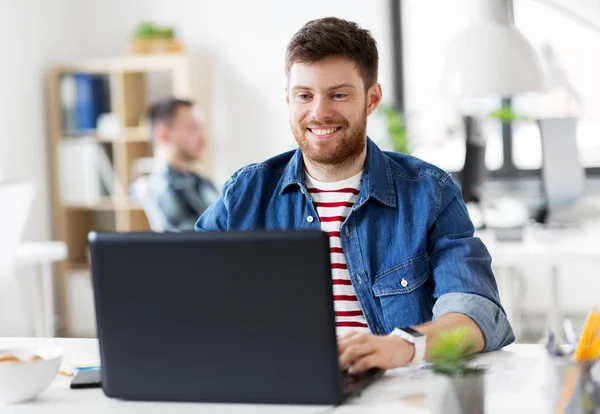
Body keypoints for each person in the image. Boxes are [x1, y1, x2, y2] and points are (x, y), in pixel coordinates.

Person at [196, 17, 514, 374]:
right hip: (275, 384)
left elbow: (476, 313)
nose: (319, 112)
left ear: (371, 99)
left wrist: (404, 345)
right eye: (304, 95)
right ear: (288, 98)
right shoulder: (245, 194)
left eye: (338, 94)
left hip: (394, 393)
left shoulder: (429, 192)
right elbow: (188, 291)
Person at [144, 98, 218, 232]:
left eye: (201, 128)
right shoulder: (161, 186)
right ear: (164, 135)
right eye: (193, 128)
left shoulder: (200, 181)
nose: (203, 137)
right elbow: (194, 239)